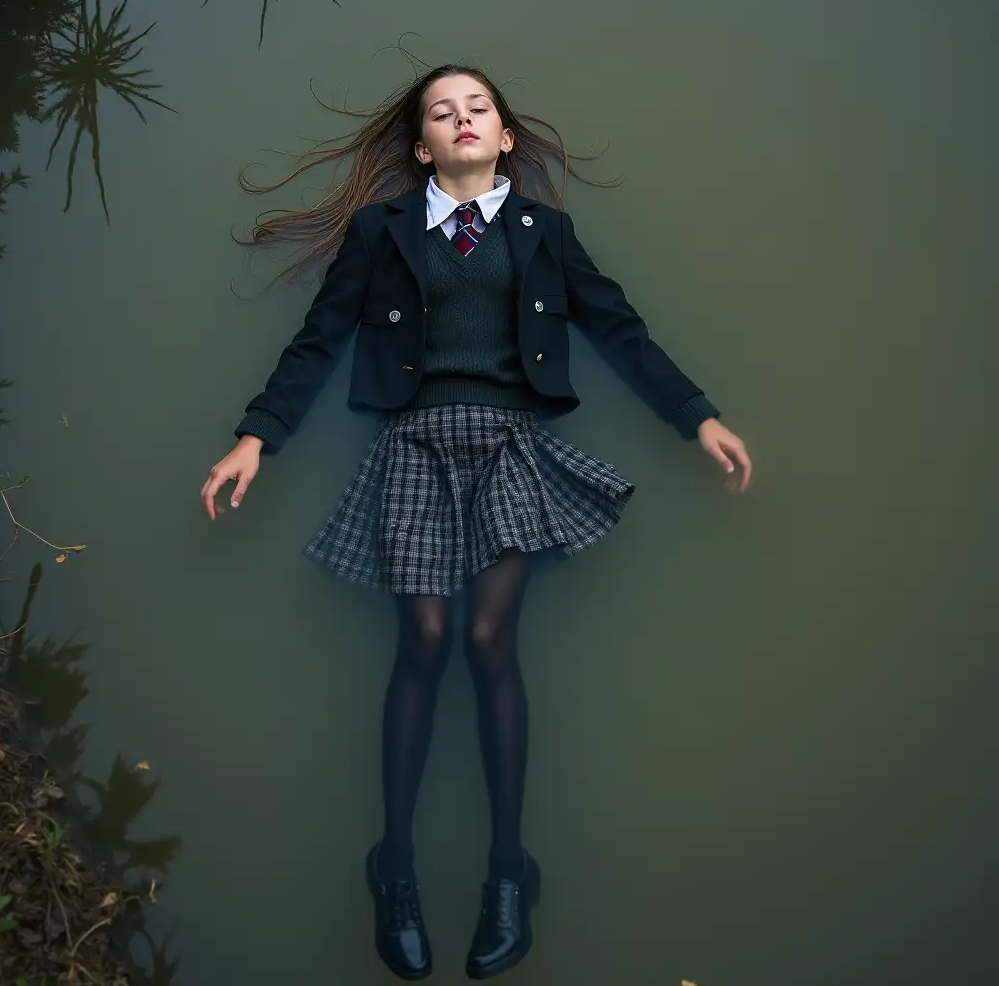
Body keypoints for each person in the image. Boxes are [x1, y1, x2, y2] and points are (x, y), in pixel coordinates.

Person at [200, 63, 752, 981]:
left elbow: (620, 330)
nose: (463, 119)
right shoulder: (381, 233)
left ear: (504, 137)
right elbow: (320, 340)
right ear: (421, 147)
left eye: (479, 108)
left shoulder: (547, 234)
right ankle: (395, 868)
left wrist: (699, 415)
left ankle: (508, 872)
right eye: (443, 113)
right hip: (411, 443)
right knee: (423, 635)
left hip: (510, 443)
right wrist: (256, 438)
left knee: (490, 639)